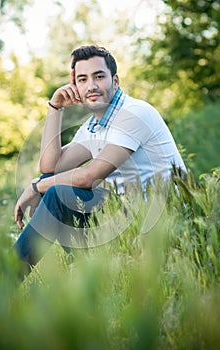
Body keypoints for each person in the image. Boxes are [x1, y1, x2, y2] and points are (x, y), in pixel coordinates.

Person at [14, 45, 186, 272]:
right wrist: (55, 107)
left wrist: (36, 187)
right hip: (125, 220)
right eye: (82, 79)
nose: (91, 86)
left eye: (99, 76)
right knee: (51, 181)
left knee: (55, 190)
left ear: (115, 81)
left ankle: (3, 282)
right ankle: (98, 275)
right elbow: (50, 166)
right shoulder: (94, 125)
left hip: (161, 223)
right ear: (75, 87)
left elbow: (89, 177)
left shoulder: (133, 113)